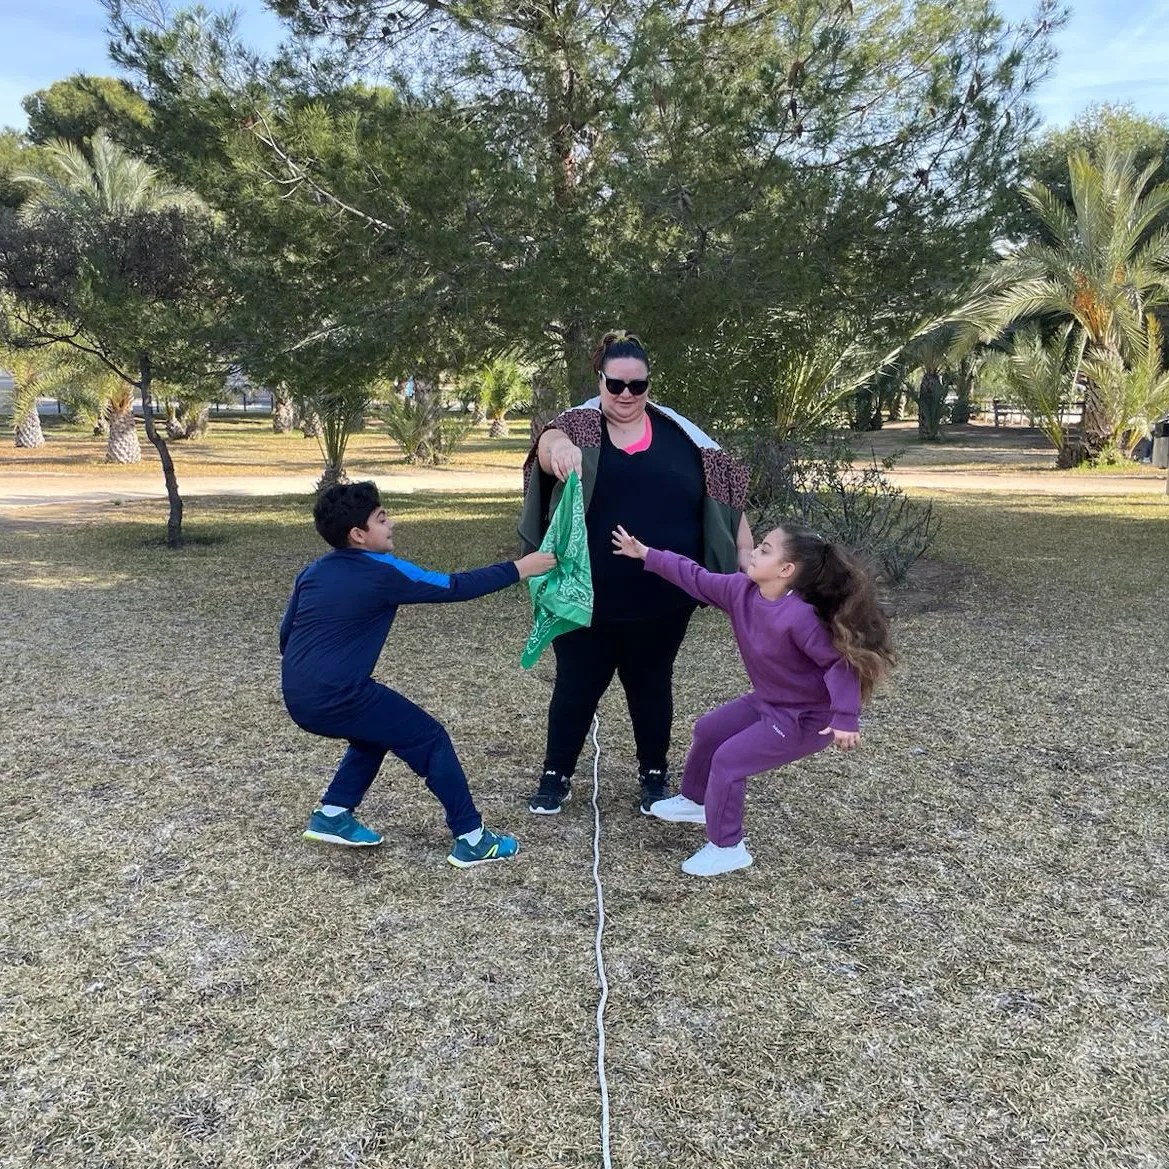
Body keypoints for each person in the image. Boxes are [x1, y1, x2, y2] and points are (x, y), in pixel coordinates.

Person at [518, 329, 753, 815]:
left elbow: (727, 500)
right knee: (577, 684)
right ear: (599, 379)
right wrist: (557, 448)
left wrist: (744, 559)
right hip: (587, 594)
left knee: (652, 683)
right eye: (615, 384)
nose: (625, 395)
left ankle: (654, 776)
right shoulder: (578, 428)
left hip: (663, 597)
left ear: (649, 384)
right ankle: (555, 775)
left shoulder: (683, 437)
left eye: (637, 386)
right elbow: (550, 443)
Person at [280, 481, 556, 868]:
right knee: (430, 738)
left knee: (374, 733)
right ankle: (472, 838)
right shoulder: (383, 572)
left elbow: (286, 635)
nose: (390, 523)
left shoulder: (312, 572)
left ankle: (332, 814)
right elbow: (453, 586)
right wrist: (520, 568)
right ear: (358, 535)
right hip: (340, 694)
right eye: (381, 519)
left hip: (298, 694)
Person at [611, 521, 896, 876]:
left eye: (764, 549)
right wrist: (647, 554)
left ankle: (728, 847)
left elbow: (839, 666)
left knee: (730, 761)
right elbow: (696, 578)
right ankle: (697, 801)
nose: (753, 552)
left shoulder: (801, 617)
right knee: (710, 731)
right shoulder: (741, 590)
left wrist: (845, 717)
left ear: (785, 570)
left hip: (805, 720)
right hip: (768, 701)